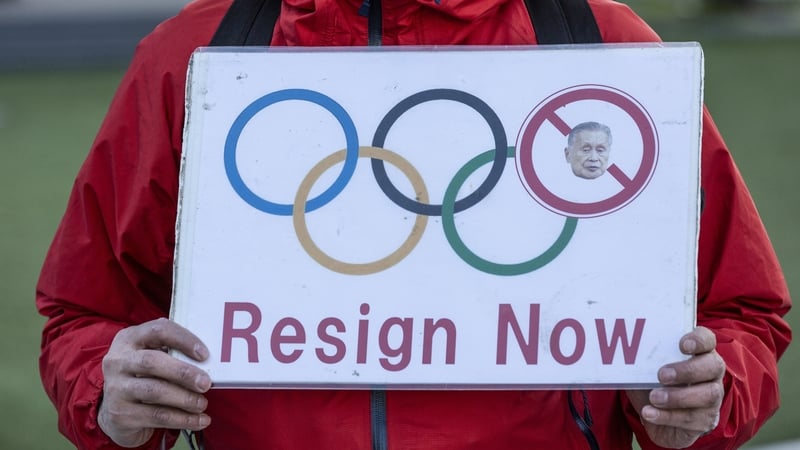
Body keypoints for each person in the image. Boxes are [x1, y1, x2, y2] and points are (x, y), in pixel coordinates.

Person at [36, 0, 791, 449]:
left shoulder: (608, 49)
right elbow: (83, 313)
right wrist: (112, 389)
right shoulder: (196, 56)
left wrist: (703, 399)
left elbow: (744, 313)